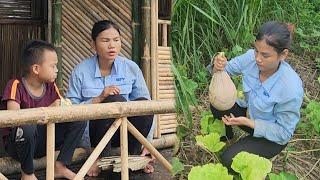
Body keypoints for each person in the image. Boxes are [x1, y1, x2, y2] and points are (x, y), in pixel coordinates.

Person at [209, 21, 303, 169]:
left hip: (271, 137)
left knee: (228, 160)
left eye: (265, 55)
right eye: (256, 51)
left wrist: (248, 123)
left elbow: (284, 133)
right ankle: (226, 137)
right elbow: (224, 72)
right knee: (218, 103)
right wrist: (217, 67)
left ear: (283, 55)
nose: (258, 58)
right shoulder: (250, 59)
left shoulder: (290, 87)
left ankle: (255, 152)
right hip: (248, 115)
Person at [66, 20, 155, 177]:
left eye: (116, 40)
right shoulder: (80, 71)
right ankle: (98, 157)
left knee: (143, 103)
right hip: (93, 135)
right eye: (105, 40)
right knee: (114, 100)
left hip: (125, 132)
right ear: (93, 44)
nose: (112, 45)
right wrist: (98, 99)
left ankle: (135, 157)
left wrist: (147, 143)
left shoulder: (131, 68)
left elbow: (146, 107)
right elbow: (70, 110)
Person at [2, 40, 86, 180]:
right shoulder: (16, 85)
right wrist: (47, 110)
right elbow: (14, 120)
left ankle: (60, 166)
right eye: (53, 66)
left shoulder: (51, 87)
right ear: (36, 69)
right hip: (19, 145)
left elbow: (63, 113)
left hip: (45, 142)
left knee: (79, 120)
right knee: (26, 126)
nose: (57, 70)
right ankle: (27, 173)